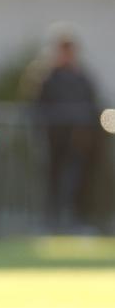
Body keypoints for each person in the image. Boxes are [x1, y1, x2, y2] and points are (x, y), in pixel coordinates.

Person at [35, 33, 101, 232]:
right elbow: (38, 106)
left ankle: (78, 220)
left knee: (80, 180)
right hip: (55, 139)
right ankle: (52, 221)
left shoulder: (83, 78)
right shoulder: (48, 78)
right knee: (53, 179)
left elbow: (92, 105)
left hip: (79, 140)